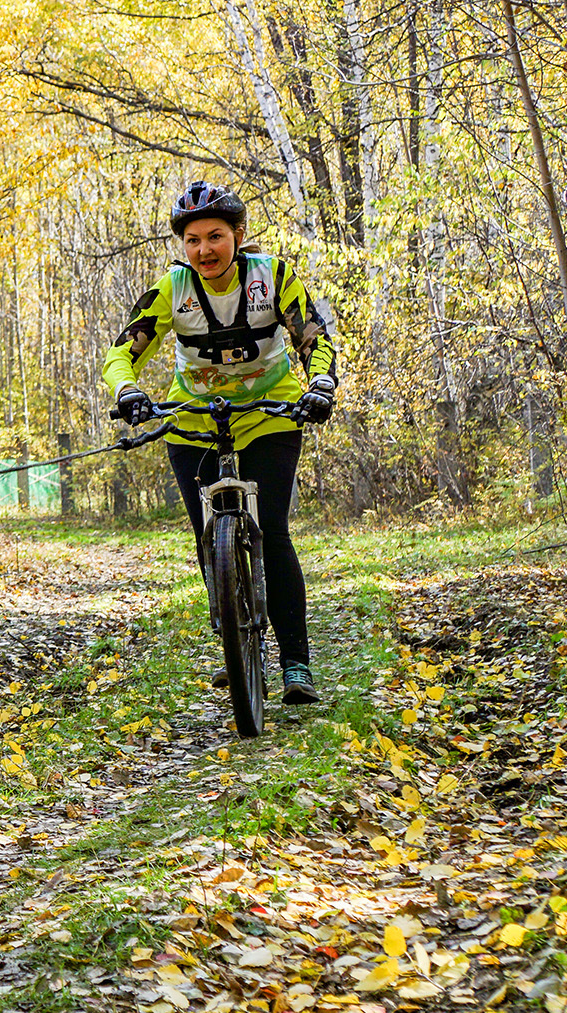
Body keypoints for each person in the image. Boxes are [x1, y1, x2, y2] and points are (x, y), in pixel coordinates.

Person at [103, 180, 337, 706]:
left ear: (237, 235)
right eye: (192, 240)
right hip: (192, 419)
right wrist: (128, 391)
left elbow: (312, 336)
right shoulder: (172, 289)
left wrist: (320, 384)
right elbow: (121, 352)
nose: (204, 249)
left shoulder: (272, 275)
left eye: (214, 236)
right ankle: (234, 637)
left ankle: (295, 661)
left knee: (271, 529)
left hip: (269, 413)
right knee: (209, 533)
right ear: (182, 245)